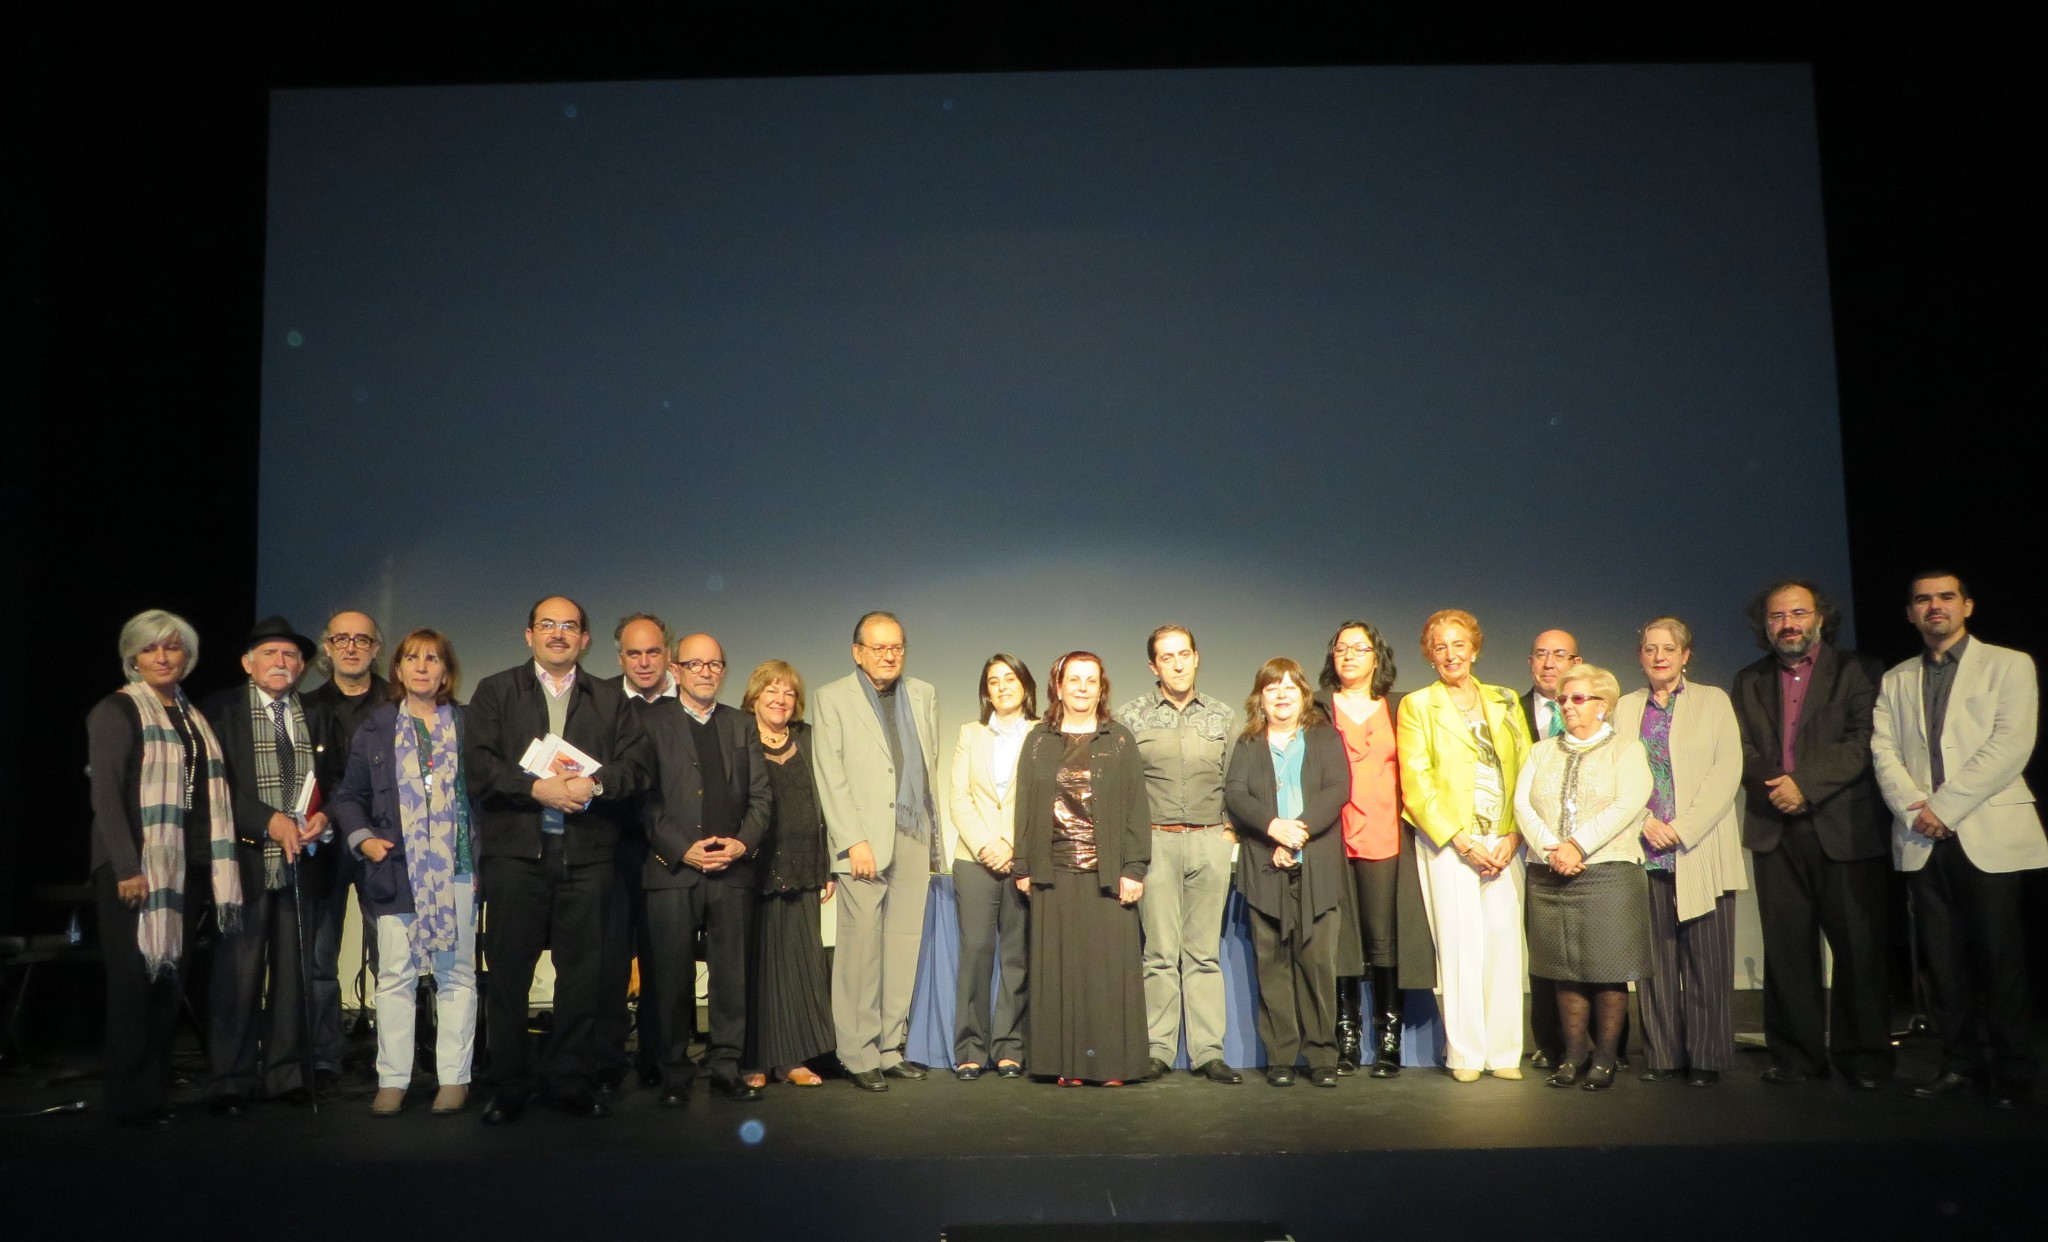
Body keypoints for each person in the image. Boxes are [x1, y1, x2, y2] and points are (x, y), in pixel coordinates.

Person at [464, 595, 652, 1124]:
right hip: (515, 856)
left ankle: (571, 1079)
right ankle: (508, 1086)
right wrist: (537, 789)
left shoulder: (613, 701)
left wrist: (594, 784)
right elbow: (479, 768)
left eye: (569, 627)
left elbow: (636, 767)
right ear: (529, 635)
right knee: (508, 976)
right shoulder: (495, 691)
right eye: (547, 625)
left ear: (585, 640)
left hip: (588, 856)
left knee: (583, 977)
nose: (558, 634)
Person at [1872, 572, 2045, 1109]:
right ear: (1910, 613)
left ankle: (2014, 1076)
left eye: (1945, 597)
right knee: (1943, 965)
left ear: (1966, 605)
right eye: (1922, 600)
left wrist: (1944, 808)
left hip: (1985, 830)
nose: (1934, 607)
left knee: (1999, 961)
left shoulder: (2008, 664)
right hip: (1923, 838)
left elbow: (2009, 745)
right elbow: (1884, 751)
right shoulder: (1897, 677)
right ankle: (1959, 1064)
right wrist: (1916, 808)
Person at [1732, 578, 1892, 1089]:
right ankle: (1798, 1058)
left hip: (1843, 826)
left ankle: (1864, 1060)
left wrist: (1804, 786)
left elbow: (1863, 740)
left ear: (1820, 618)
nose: (1789, 624)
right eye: (1778, 616)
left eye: (1799, 613)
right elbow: (1741, 748)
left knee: (1858, 952)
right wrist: (1775, 788)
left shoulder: (1858, 671)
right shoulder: (1749, 679)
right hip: (1774, 828)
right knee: (1787, 953)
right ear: (1766, 625)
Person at [86, 610, 243, 1130]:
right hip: (135, 869)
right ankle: (128, 1102)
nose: (162, 657)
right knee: (135, 986)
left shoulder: (191, 713)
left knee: (165, 987)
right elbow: (106, 796)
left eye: (172, 648)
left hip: (187, 866)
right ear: (133, 657)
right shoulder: (117, 709)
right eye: (151, 649)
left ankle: (152, 1095)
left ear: (187, 656)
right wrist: (128, 866)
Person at [331, 629, 479, 1116]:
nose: (421, 667)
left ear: (446, 671)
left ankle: (453, 1078)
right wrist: (365, 840)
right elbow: (347, 796)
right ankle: (392, 1079)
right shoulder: (376, 726)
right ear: (396, 670)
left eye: (432, 659)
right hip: (395, 871)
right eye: (411, 658)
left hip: (455, 870)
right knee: (394, 976)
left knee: (454, 976)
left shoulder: (467, 725)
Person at [201, 615, 337, 1113]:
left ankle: (284, 1074)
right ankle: (230, 1080)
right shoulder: (220, 711)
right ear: (247, 663)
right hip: (243, 860)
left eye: (290, 656)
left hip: (303, 861)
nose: (281, 663)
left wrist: (325, 817)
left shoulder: (317, 714)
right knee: (236, 977)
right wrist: (269, 821)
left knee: (293, 978)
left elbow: (338, 779)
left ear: (301, 667)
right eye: (270, 654)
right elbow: (214, 787)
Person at [1396, 609, 1531, 1082]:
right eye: (1440, 647)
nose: (1451, 654)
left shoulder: (1507, 700)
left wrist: (1515, 834)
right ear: (1430, 656)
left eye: (1458, 645)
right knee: (1460, 947)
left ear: (1474, 649)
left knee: (1503, 945)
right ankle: (1467, 1054)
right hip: (1452, 843)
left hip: (1505, 840)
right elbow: (1417, 782)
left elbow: (1527, 773)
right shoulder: (1417, 705)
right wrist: (1461, 841)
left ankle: (1505, 1052)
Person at [638, 632, 772, 1105]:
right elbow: (643, 800)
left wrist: (741, 844)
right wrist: (682, 849)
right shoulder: (648, 723)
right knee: (670, 978)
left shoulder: (741, 725)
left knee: (731, 977)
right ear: (676, 670)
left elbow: (761, 799)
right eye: (696, 665)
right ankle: (674, 1072)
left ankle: (725, 1067)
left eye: (715, 665)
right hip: (673, 870)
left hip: (732, 870)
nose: (706, 673)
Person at [811, 611, 942, 1091]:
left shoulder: (923, 694)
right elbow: (830, 772)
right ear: (857, 651)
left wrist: (931, 839)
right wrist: (851, 839)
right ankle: (857, 1052)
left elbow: (925, 771)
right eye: (879, 647)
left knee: (902, 945)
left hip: (910, 832)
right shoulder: (832, 698)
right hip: (862, 840)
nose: (889, 656)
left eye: (897, 647)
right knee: (860, 949)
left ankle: (890, 1048)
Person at [1613, 616, 1746, 1088]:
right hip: (1644, 846)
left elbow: (1726, 771)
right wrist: (1644, 820)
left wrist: (1682, 828)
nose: (1659, 656)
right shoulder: (1626, 707)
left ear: (1686, 655)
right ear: (1640, 656)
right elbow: (1615, 773)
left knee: (1708, 960)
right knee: (1655, 961)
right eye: (1650, 649)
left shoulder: (1713, 701)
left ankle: (1707, 1057)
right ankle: (1663, 1054)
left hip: (1700, 846)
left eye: (1669, 648)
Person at [1011, 652, 1150, 1086]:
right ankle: (1065, 1065)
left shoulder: (1119, 739)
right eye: (1075, 679)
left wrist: (1134, 868)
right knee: (1060, 972)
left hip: (1105, 873)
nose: (1083, 687)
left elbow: (1134, 809)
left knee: (1107, 973)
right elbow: (1025, 808)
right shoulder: (1038, 740)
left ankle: (1111, 1066)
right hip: (1053, 871)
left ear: (1101, 687)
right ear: (1059, 686)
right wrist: (1022, 863)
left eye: (1091, 680)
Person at [1112, 625, 1242, 1085]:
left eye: (1184, 654)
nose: (1178, 664)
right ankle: (1158, 1050)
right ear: (1154, 666)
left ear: (1197, 657)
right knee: (1160, 954)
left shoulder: (1224, 715)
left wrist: (1228, 832)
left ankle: (1209, 1051)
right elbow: (1123, 790)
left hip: (1210, 841)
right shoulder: (1130, 717)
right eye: (1167, 657)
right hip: (1156, 842)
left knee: (1204, 954)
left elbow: (1235, 780)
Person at [1514, 664, 1654, 1090]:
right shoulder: (1542, 752)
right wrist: (1553, 849)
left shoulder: (1625, 749)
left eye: (1578, 699)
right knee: (1564, 968)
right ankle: (1573, 1056)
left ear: (1604, 705)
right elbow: (1523, 805)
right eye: (1563, 700)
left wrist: (1578, 845)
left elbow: (1629, 803)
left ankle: (1606, 1058)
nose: (1568, 707)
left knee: (1606, 970)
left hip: (1607, 872)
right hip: (1551, 874)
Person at [1316, 620, 1433, 1079]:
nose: (1349, 655)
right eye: (1341, 648)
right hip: (1333, 836)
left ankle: (1389, 1041)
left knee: (1384, 941)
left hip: (1385, 836)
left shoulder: (1400, 707)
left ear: (1376, 657)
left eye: (1359, 648)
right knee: (1341, 939)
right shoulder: (1318, 707)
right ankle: (1346, 1038)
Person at [1226, 658, 1349, 1087]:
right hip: (1264, 864)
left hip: (1317, 865)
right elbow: (1236, 794)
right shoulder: (1247, 743)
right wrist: (1273, 829)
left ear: (1303, 695)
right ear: (1260, 697)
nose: (1281, 695)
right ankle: (1280, 1057)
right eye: (1271, 687)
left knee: (1317, 965)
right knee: (1272, 964)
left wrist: (1297, 833)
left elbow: (1338, 788)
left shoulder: (1324, 737)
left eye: (1289, 687)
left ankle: (1320, 1057)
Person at [299, 608, 385, 1090]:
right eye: (341, 639)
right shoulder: (302, 707)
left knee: (390, 957)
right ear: (326, 648)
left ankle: (392, 1053)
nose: (351, 647)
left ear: (376, 648)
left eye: (361, 639)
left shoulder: (397, 705)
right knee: (319, 957)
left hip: (383, 845)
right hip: (323, 847)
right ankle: (323, 1055)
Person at [741, 660, 837, 1088]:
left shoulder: (810, 739)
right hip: (754, 868)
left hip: (805, 865)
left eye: (789, 694)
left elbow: (830, 804)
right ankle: (754, 1061)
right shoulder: (739, 736)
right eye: (771, 692)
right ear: (755, 698)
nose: (781, 701)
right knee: (755, 966)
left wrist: (830, 864)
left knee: (801, 964)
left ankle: (792, 1059)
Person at [596, 612, 676, 1094]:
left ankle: (659, 1060)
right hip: (610, 849)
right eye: (633, 653)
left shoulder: (689, 703)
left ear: (668, 653)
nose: (644, 662)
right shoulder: (600, 701)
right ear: (618, 655)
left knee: (665, 961)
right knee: (608, 960)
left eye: (653, 652)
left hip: (669, 853)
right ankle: (606, 1061)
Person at [948, 654, 1037, 1080]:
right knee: (976, 951)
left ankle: (1010, 1048)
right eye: (993, 681)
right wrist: (987, 845)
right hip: (975, 859)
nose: (1002, 687)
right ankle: (970, 1047)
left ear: (1025, 686)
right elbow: (959, 797)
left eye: (1010, 679)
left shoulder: (1043, 735)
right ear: (986, 690)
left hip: (1023, 858)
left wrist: (1016, 848)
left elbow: (1042, 801)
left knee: (1018, 955)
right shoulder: (970, 734)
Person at [1519, 628, 1581, 1070]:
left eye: (1559, 655)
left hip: (1589, 850)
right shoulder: (1509, 712)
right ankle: (1548, 1042)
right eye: (1540, 654)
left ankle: (1602, 1044)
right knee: (1542, 948)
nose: (1549, 663)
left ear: (1576, 663)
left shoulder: (1601, 715)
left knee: (1592, 948)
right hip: (1532, 848)